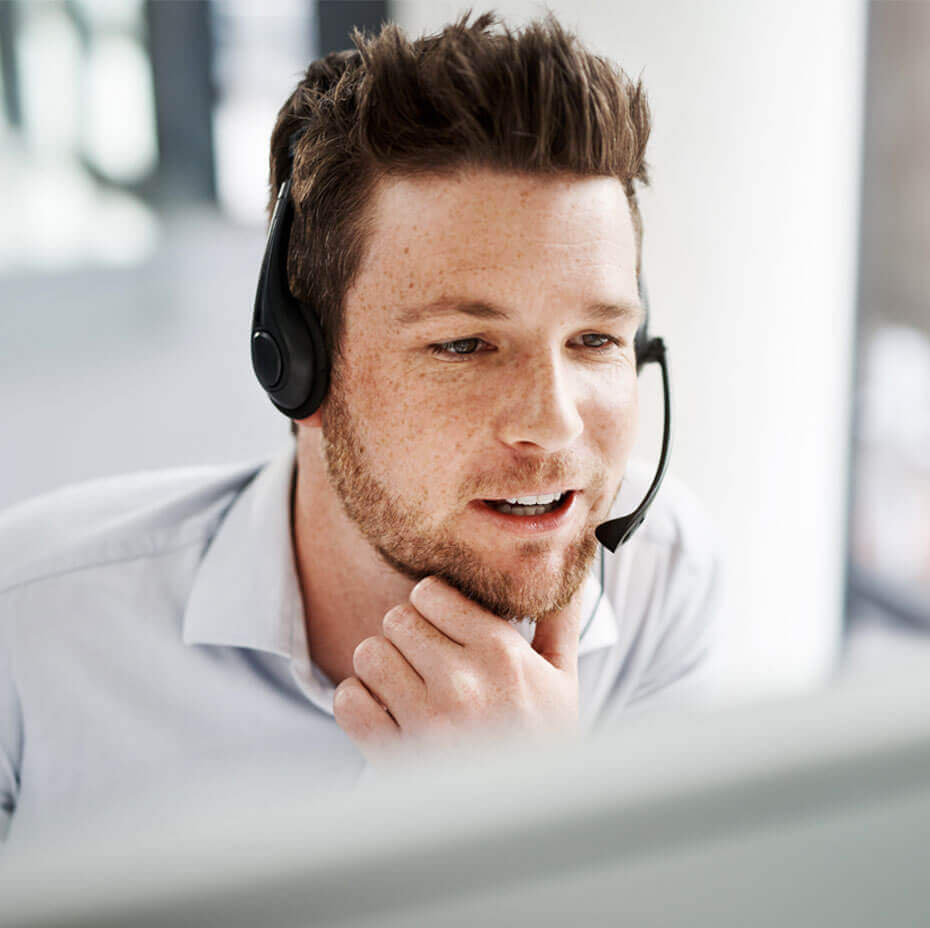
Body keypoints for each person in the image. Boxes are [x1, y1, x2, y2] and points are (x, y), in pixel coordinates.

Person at [0, 12, 722, 846]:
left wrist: (543, 816)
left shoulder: (667, 584)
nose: (553, 426)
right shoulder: (33, 636)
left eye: (595, 340)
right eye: (464, 344)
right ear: (297, 361)